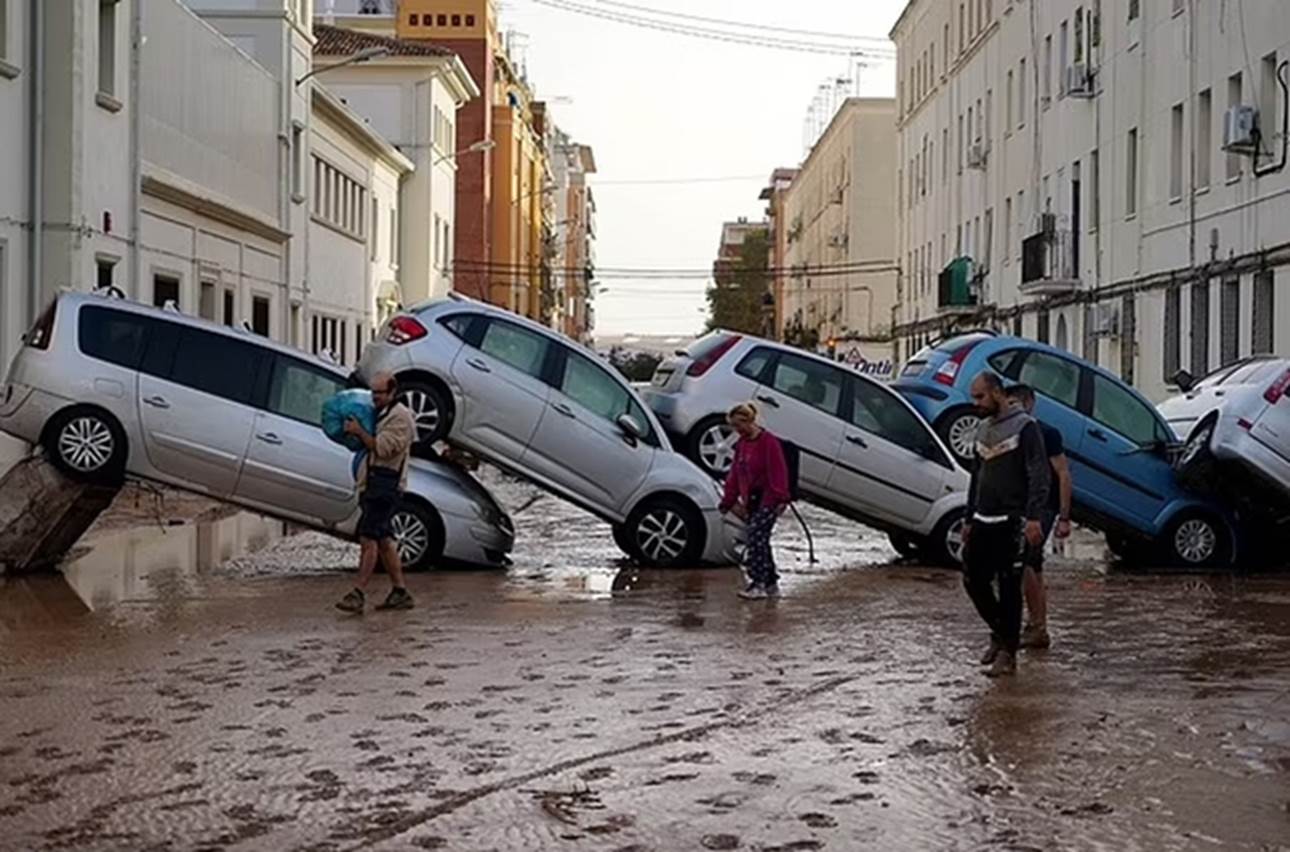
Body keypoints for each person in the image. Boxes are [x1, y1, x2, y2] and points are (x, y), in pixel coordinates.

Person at [961, 372, 1051, 677]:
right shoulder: (983, 429)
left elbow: (1039, 474)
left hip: (1013, 520)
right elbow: (976, 477)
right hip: (983, 518)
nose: (976, 404)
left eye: (980, 397)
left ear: (997, 393)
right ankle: (1000, 634)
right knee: (973, 579)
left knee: (1010, 586)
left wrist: (1034, 517)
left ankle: (1008, 654)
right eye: (974, 397)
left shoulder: (1026, 428)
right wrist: (968, 517)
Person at [335, 372, 417, 613]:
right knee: (383, 540)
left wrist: (360, 431)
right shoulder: (382, 413)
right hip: (373, 484)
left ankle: (357, 593)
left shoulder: (400, 418)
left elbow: (383, 448)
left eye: (380, 393)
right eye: (373, 393)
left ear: (392, 392)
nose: (376, 397)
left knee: (368, 537)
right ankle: (400, 592)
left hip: (385, 487)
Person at [1005, 384, 1073, 650]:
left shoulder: (1047, 433)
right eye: (1009, 405)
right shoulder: (1009, 432)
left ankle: (1036, 627)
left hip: (1042, 507)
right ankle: (1037, 626)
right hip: (1019, 506)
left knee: (1027, 564)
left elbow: (1064, 474)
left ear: (1030, 404)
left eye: (1017, 405)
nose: (1013, 411)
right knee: (1032, 567)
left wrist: (1064, 517)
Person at [718, 402, 791, 600]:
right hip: (751, 500)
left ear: (749, 421)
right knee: (761, 541)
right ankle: (771, 583)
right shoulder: (742, 445)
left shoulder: (769, 443)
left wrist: (781, 498)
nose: (737, 430)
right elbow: (734, 474)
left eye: (739, 425)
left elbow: (778, 472)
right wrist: (728, 500)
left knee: (755, 538)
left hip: (769, 498)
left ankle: (757, 583)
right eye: (734, 426)